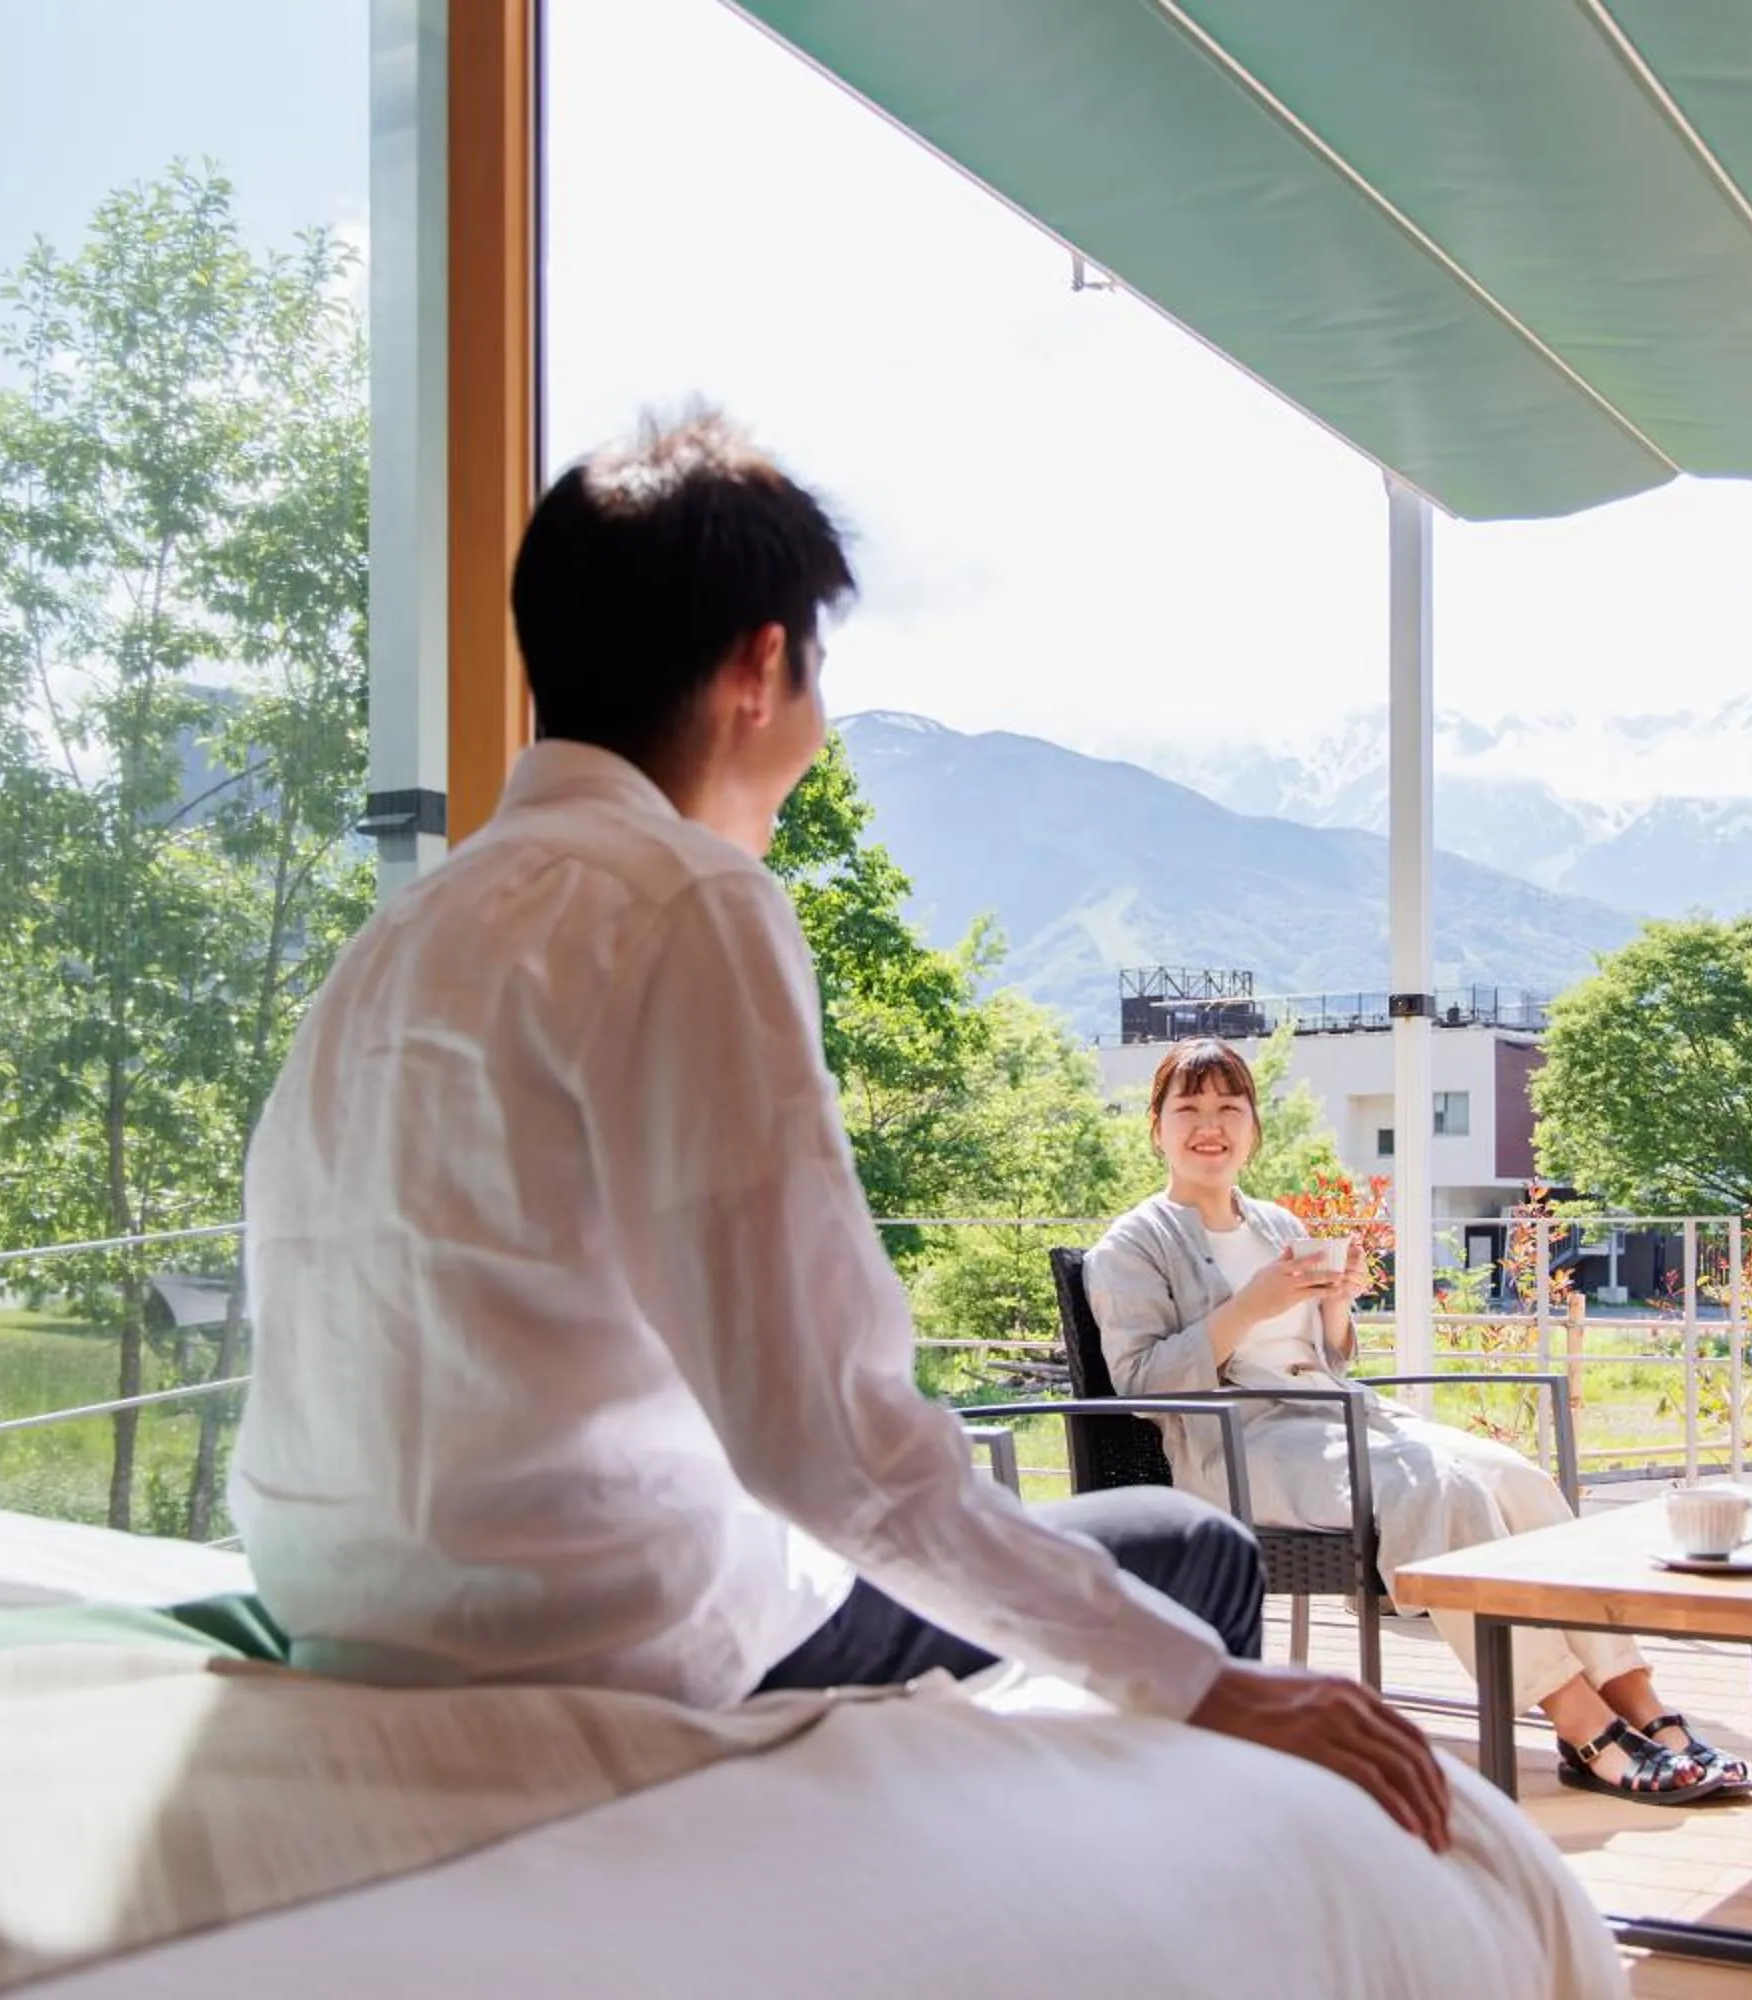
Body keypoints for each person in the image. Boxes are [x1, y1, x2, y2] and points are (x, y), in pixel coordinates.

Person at [226, 408, 1449, 1851]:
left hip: (348, 1613)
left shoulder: (403, 936)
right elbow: (836, 1443)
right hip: (595, 1640)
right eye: (817, 672)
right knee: (1183, 1549)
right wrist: (1214, 1691)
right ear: (762, 666)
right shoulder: (684, 900)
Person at [1084, 1038, 1752, 1806]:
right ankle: (1581, 1727)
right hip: (1237, 1444)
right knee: (1438, 1488)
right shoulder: (1132, 1244)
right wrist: (1249, 1307)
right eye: (1189, 1109)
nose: (1211, 1126)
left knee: (1519, 1478)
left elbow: (1328, 1362)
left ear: (1254, 1126)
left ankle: (1640, 1702)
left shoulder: (1273, 1225)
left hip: (1334, 1417)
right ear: (1157, 1126)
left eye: (1229, 1108)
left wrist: (1335, 1305)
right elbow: (1136, 1382)